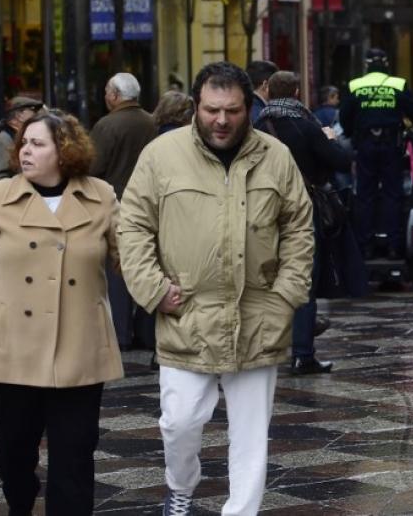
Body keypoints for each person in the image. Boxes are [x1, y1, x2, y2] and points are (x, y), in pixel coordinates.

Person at [119, 62, 313, 516]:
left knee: (250, 437)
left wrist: (286, 295)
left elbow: (300, 227)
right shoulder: (161, 155)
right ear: (195, 107)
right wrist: (152, 288)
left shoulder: (276, 156)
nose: (221, 120)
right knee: (179, 421)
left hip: (258, 315)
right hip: (186, 314)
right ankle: (180, 487)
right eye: (210, 110)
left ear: (249, 108)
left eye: (231, 110)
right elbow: (130, 225)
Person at [0, 110, 123, 515]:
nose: (24, 151)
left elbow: (129, 260)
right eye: (23, 143)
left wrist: (166, 287)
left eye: (37, 144)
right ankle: (20, 503)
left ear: (65, 151)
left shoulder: (101, 196)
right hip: (13, 349)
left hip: (80, 350)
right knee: (13, 452)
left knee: (75, 458)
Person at [255, 71, 352, 375]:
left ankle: (265, 347)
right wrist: (331, 140)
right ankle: (302, 353)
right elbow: (340, 160)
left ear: (269, 91)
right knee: (304, 277)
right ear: (297, 91)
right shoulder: (305, 124)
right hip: (303, 208)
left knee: (266, 276)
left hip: (264, 210)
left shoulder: (259, 126)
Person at [89, 73, 157, 351]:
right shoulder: (153, 122)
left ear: (116, 96)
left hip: (116, 206)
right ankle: (145, 331)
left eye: (107, 92)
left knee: (118, 271)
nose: (105, 97)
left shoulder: (106, 126)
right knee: (148, 266)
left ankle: (121, 333)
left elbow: (93, 168)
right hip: (149, 206)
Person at [339, 47, 413, 259]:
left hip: (365, 146)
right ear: (386, 64)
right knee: (393, 195)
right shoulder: (397, 84)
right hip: (391, 146)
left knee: (365, 196)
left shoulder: (355, 85)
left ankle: (365, 247)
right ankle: (394, 246)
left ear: (367, 64)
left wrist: (352, 134)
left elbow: (344, 118)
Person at [0, 95, 44, 182]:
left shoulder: (18, 138)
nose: (36, 115)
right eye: (33, 110)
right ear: (19, 115)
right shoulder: (3, 140)